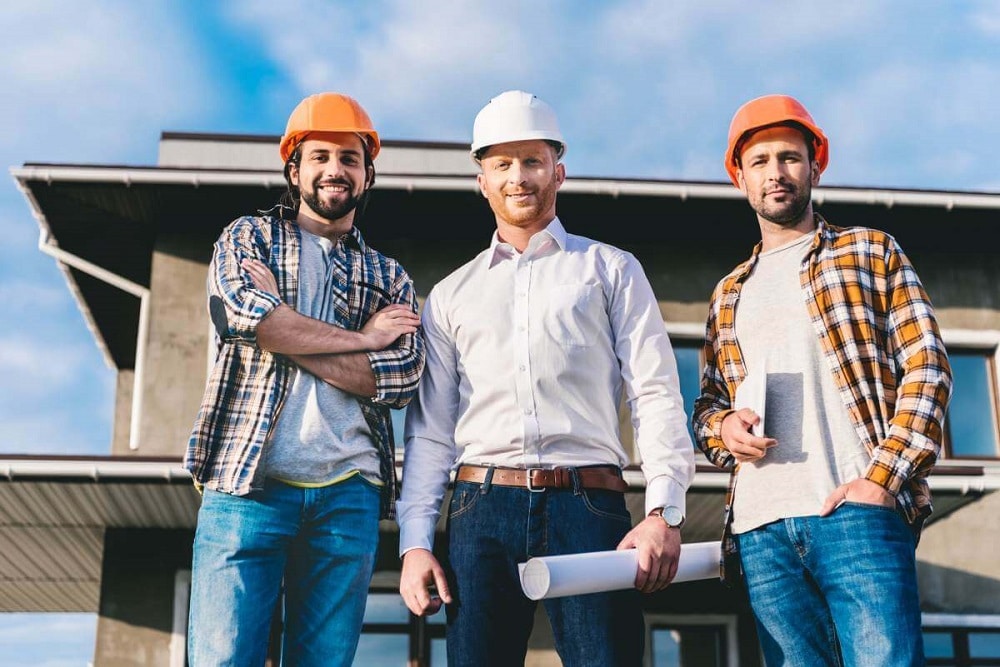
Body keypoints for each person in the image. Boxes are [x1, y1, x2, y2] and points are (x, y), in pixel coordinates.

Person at [396, 90, 695, 666]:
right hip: (479, 512)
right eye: (502, 164)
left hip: (590, 507)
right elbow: (430, 433)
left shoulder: (611, 269)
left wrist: (664, 510)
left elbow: (655, 392)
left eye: (532, 161)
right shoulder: (451, 296)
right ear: (481, 180)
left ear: (559, 170)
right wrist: (414, 543)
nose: (518, 177)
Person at [693, 94, 953, 666]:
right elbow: (708, 404)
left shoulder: (871, 251)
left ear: (815, 165)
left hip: (857, 511)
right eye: (759, 161)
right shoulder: (728, 293)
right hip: (761, 530)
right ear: (740, 178)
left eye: (789, 157)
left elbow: (928, 367)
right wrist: (724, 427)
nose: (776, 172)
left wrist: (881, 481)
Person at [184, 92, 425, 666]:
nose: (334, 169)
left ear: (367, 175)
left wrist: (283, 327)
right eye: (319, 156)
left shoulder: (388, 275)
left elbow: (401, 377)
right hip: (247, 482)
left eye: (349, 158)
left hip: (349, 492)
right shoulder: (248, 239)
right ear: (294, 170)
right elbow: (244, 318)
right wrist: (364, 340)